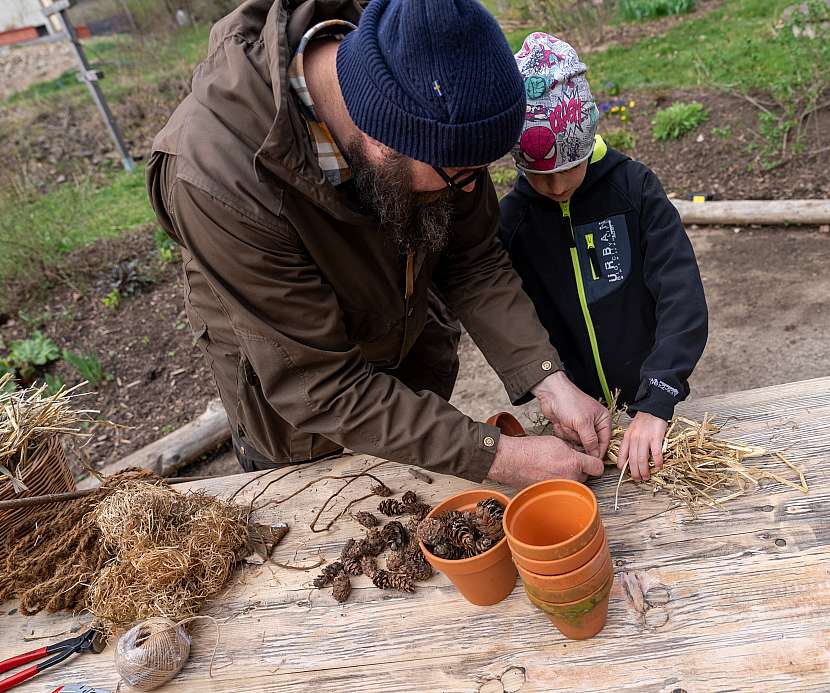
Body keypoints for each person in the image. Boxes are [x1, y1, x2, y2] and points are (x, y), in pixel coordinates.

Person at [146, 0, 611, 487]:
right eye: (459, 177)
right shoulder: (218, 179)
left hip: (403, 371)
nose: (472, 190)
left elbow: (474, 259)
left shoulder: (419, 76)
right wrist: (499, 457)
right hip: (302, 426)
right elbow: (322, 386)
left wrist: (547, 380)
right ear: (380, 142)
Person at [499, 33, 708, 482]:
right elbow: (510, 316)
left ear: (589, 133)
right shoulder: (514, 219)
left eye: (567, 169)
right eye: (540, 176)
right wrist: (553, 391)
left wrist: (657, 399)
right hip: (576, 412)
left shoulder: (633, 189)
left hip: (650, 396)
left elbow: (681, 293)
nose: (556, 187)